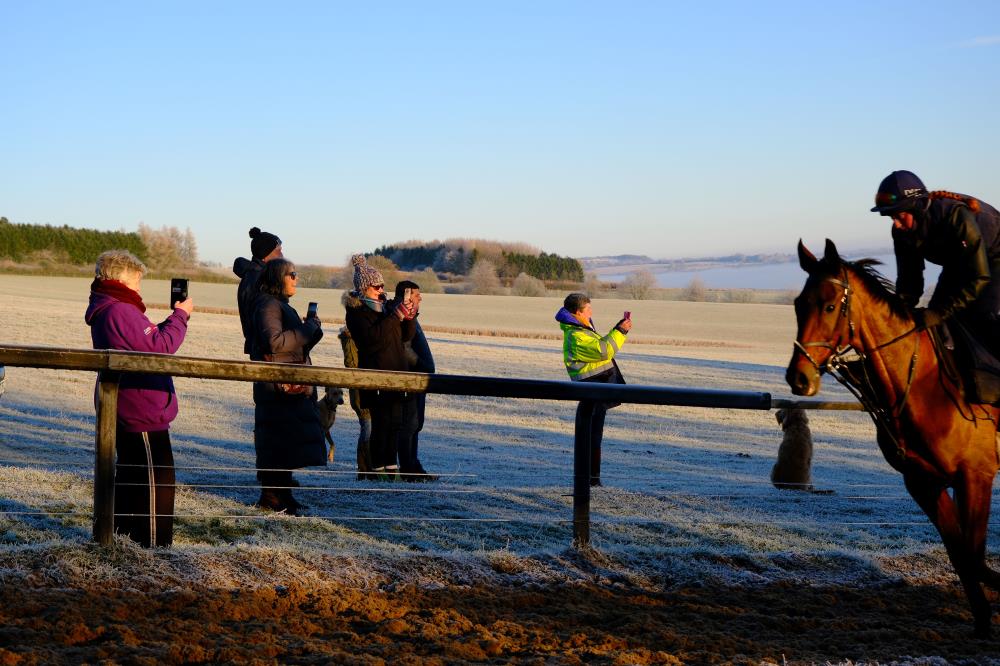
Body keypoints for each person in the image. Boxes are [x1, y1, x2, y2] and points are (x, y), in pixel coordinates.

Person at [84, 249, 193, 547]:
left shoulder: (108, 307)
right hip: (141, 409)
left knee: (132, 480)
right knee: (155, 484)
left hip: (127, 405)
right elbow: (160, 348)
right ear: (121, 279)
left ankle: (124, 543)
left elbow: (144, 342)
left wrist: (168, 321)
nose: (139, 288)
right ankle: (154, 549)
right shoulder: (120, 310)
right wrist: (181, 316)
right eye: (136, 281)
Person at [871, 170, 1000, 349]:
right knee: (935, 318)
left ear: (917, 207)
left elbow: (979, 276)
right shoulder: (901, 232)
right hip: (957, 263)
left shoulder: (956, 216)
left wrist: (939, 313)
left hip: (993, 259)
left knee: (981, 318)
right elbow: (909, 278)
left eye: (899, 216)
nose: (896, 224)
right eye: (892, 217)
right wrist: (899, 312)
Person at [250, 258, 326, 514]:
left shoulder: (278, 305)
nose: (296, 278)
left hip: (286, 385)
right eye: (291, 274)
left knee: (286, 440)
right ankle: (271, 497)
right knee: (277, 440)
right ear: (277, 278)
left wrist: (312, 330)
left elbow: (294, 347)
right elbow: (274, 342)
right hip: (277, 387)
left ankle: (283, 495)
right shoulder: (268, 305)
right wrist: (307, 328)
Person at [343, 255, 415, 480]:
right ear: (364, 288)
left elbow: (405, 336)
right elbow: (373, 340)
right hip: (375, 378)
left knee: (395, 425)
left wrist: (409, 316)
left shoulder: (386, 309)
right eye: (377, 286)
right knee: (381, 426)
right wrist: (395, 316)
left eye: (382, 285)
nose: (381, 290)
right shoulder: (356, 313)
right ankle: (377, 473)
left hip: (396, 375)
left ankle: (392, 472)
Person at [555, 293, 631, 487]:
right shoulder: (577, 335)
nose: (591, 312)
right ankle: (589, 480)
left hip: (596, 389)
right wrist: (620, 331)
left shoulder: (581, 329)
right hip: (591, 391)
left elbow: (601, 346)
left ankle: (592, 479)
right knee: (591, 437)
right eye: (588, 309)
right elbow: (604, 350)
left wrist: (617, 329)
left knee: (594, 436)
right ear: (577, 312)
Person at [394, 280, 436, 481]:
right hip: (411, 379)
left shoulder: (411, 318)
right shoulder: (403, 319)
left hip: (418, 380)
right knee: (409, 426)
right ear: (407, 296)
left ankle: (414, 467)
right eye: (417, 295)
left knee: (415, 424)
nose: (421, 298)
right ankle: (409, 470)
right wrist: (422, 365)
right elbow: (404, 348)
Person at [233, 227, 283, 356]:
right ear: (265, 256)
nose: (282, 255)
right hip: (265, 350)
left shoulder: (254, 276)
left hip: (262, 347)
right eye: (278, 251)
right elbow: (267, 318)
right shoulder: (259, 280)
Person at [337, 321, 373, 478]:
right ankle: (364, 468)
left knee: (368, 429)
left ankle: (366, 468)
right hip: (360, 392)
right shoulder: (351, 338)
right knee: (367, 430)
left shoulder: (356, 337)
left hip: (363, 391)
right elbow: (351, 364)